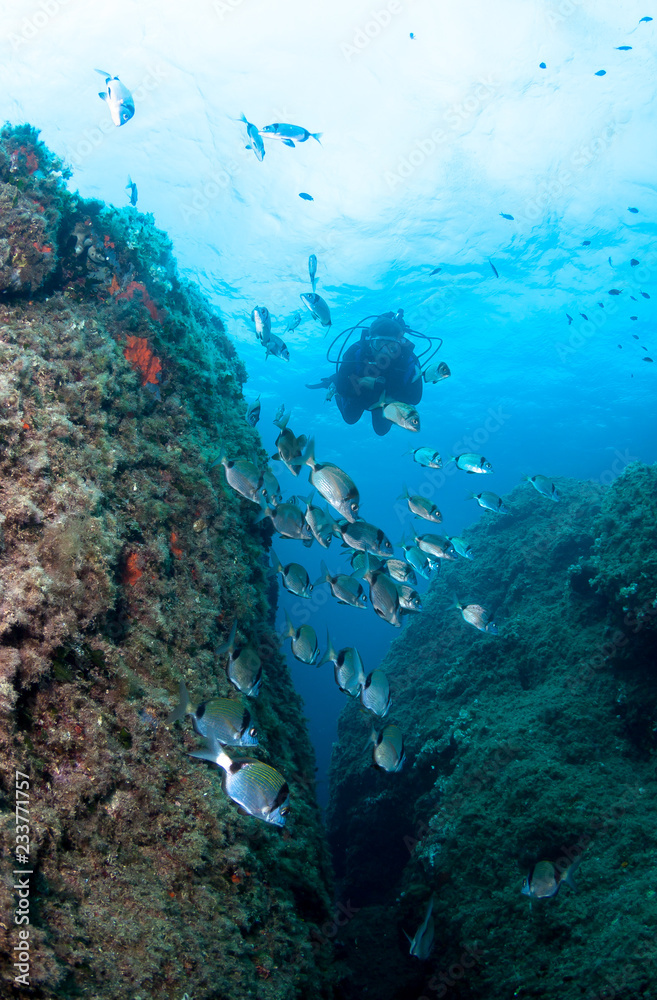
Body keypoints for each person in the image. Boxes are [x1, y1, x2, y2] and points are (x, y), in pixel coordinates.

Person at [308, 312, 423, 436]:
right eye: (379, 344)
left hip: (388, 398)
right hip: (359, 393)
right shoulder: (356, 351)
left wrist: (378, 385)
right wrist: (350, 383)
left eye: (391, 346)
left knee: (381, 430)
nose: (385, 351)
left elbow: (415, 398)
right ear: (370, 341)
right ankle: (333, 381)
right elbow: (342, 388)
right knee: (350, 418)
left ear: (399, 344)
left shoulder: (408, 359)